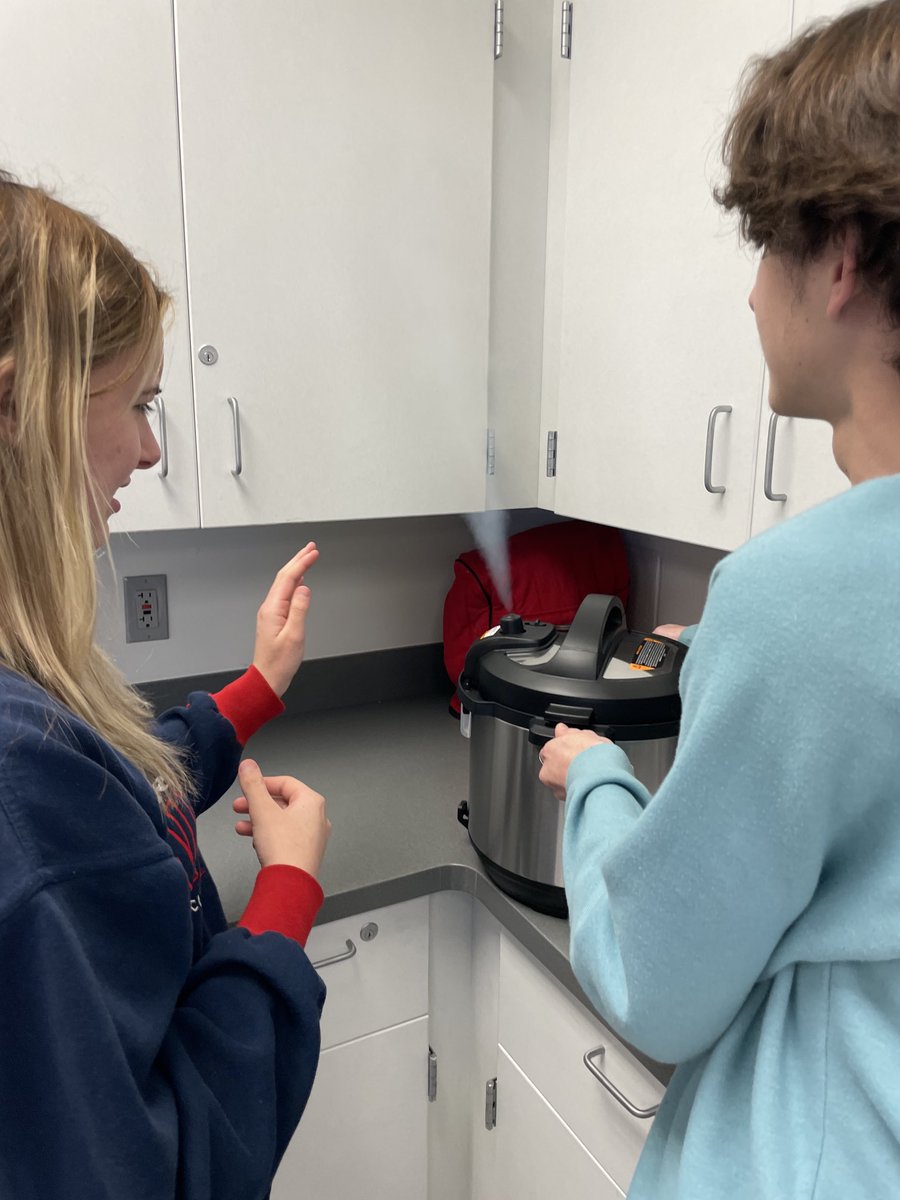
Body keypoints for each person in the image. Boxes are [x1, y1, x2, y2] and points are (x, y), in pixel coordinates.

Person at [539, 3, 900, 1197]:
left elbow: (660, 981)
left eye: (765, 249)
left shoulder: (793, 603)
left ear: (840, 252)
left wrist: (592, 776)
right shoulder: (804, 618)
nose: (752, 298)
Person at [0, 171, 332, 1199]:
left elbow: (108, 800)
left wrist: (252, 693)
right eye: (138, 402)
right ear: (18, 400)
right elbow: (171, 1167)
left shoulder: (31, 722)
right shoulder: (19, 785)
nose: (149, 447)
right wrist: (283, 899)